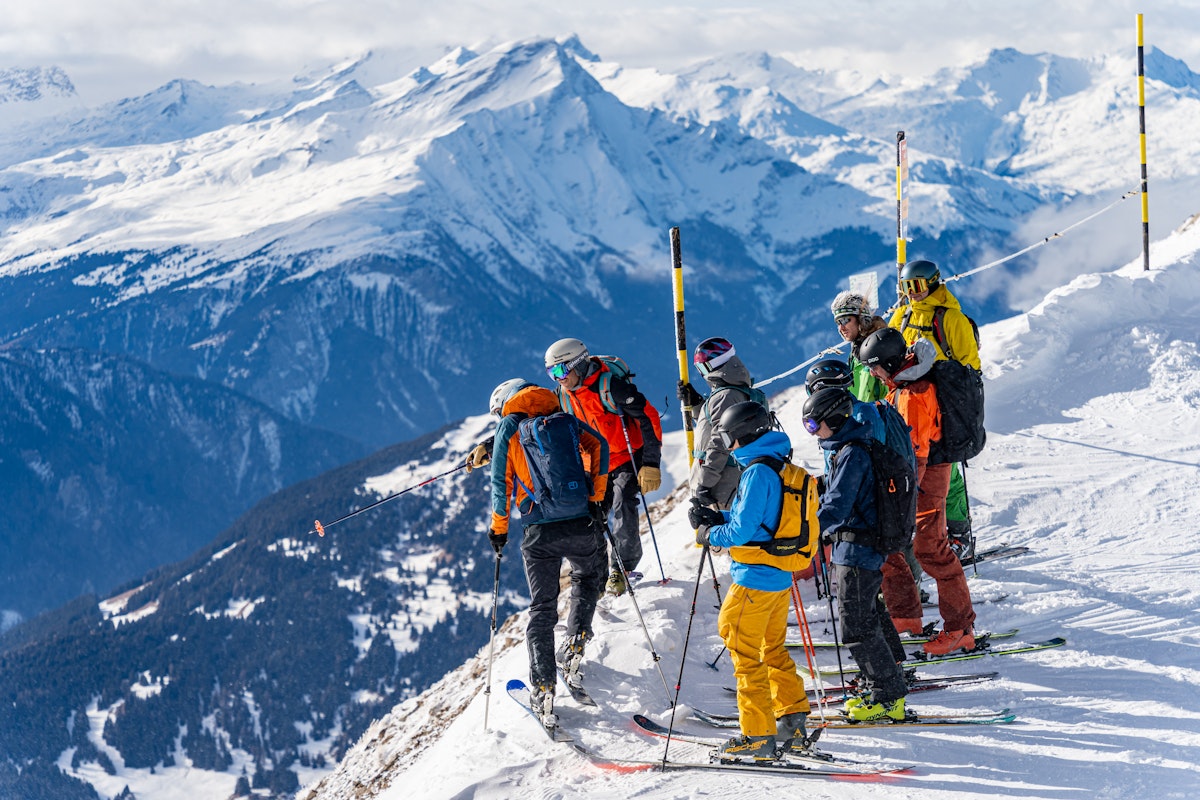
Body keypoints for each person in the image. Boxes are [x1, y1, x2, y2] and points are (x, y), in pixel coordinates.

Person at [688, 401, 812, 762]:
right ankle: (793, 722)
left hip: (753, 580)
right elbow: (760, 519)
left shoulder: (757, 473)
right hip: (777, 578)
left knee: (742, 648)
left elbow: (742, 530)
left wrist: (711, 534)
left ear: (740, 435)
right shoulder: (777, 466)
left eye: (727, 439)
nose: (727, 447)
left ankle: (757, 735)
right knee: (770, 650)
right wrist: (717, 517)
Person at [485, 378, 610, 728]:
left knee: (543, 608)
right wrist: (597, 497)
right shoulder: (560, 413)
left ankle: (543, 686)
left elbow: (501, 482)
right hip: (582, 519)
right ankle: (576, 642)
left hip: (540, 531)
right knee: (587, 578)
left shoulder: (509, 427)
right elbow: (598, 444)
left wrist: (498, 530)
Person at [858, 328, 977, 655]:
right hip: (911, 475)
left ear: (889, 364)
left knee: (931, 549)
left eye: (873, 367)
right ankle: (904, 616)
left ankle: (960, 628)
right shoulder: (903, 384)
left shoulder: (914, 393)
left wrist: (899, 494)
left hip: (925, 477)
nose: (871, 374)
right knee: (890, 541)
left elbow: (915, 455)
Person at [802, 386, 908, 721]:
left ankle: (887, 698)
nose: (813, 432)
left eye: (813, 424)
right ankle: (889, 684)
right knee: (868, 618)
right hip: (858, 548)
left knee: (857, 626)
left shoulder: (853, 453)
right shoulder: (851, 448)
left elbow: (837, 506)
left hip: (857, 551)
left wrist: (802, 534)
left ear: (833, 417)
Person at [545, 338, 663, 597]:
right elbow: (530, 417)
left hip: (626, 458)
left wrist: (651, 463)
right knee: (590, 519)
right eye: (551, 372)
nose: (557, 378)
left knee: (623, 505)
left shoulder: (610, 387)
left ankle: (622, 569)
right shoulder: (561, 397)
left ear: (577, 363)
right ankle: (596, 576)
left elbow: (648, 417)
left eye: (560, 370)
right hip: (595, 466)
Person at [889, 260, 978, 552]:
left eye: (917, 286)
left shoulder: (951, 319)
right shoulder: (902, 316)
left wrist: (937, 372)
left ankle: (958, 534)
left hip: (942, 406)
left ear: (933, 283)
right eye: (906, 287)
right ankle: (930, 538)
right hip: (910, 405)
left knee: (945, 473)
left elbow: (969, 366)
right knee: (919, 475)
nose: (913, 293)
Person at [677, 336, 767, 510]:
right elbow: (715, 425)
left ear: (710, 366)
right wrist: (697, 405)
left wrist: (705, 483)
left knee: (720, 533)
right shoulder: (737, 391)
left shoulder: (725, 396)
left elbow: (720, 441)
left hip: (721, 487)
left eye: (701, 368)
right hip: (731, 480)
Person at [830, 290, 890, 403]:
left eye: (845, 320)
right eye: (838, 322)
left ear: (861, 319)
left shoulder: (880, 348)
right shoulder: (857, 351)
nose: (841, 328)